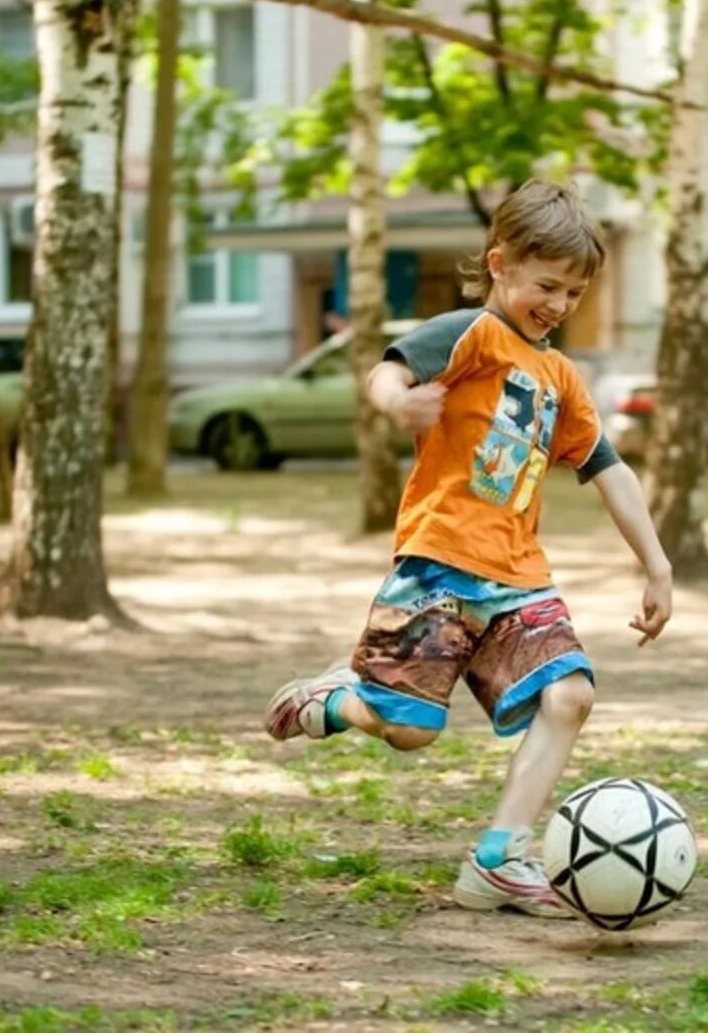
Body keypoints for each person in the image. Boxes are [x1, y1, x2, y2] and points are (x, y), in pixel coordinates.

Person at [263, 179, 673, 917]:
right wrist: (400, 402)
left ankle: (499, 858)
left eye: (574, 293)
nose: (558, 304)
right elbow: (384, 371)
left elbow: (607, 468)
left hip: (519, 577)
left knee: (571, 693)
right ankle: (341, 698)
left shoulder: (562, 378)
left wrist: (657, 564)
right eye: (546, 285)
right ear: (499, 264)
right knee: (411, 732)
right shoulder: (469, 334)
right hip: (438, 566)